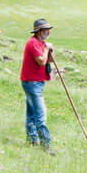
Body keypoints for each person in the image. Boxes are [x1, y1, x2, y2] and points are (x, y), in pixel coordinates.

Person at [20, 18, 55, 153]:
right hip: (32, 82)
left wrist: (50, 50)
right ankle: (46, 145)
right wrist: (46, 48)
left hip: (35, 82)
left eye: (48, 30)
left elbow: (48, 60)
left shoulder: (41, 43)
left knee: (31, 113)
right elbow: (41, 61)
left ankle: (32, 139)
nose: (48, 32)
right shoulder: (33, 43)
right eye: (46, 30)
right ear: (39, 31)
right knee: (40, 114)